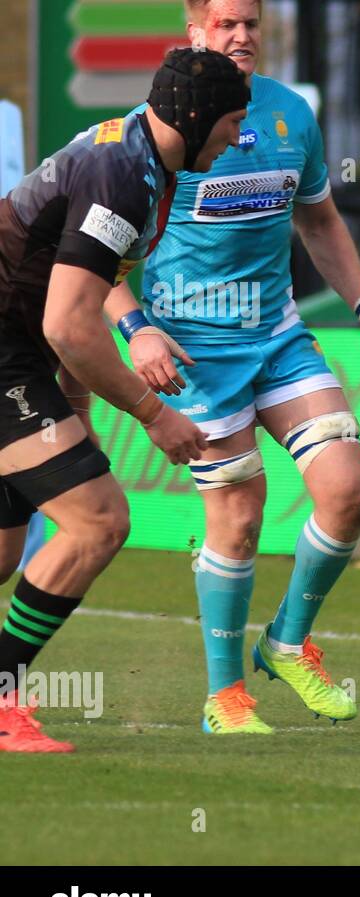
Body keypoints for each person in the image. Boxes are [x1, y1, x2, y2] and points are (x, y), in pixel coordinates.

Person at [104, 0, 360, 735]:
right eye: (226, 24)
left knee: (347, 490)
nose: (241, 35)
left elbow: (319, 219)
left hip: (276, 336)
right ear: (195, 32)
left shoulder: (288, 115)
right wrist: (137, 328)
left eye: (251, 23)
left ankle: (286, 640)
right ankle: (224, 696)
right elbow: (94, 256)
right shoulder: (146, 129)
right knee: (238, 518)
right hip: (192, 355)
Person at [0, 48, 247, 752]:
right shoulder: (124, 173)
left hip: (22, 351)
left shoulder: (143, 160)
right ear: (195, 117)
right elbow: (68, 322)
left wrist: (74, 403)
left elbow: (76, 284)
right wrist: (154, 414)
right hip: (7, 351)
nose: (235, 139)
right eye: (231, 123)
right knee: (99, 521)